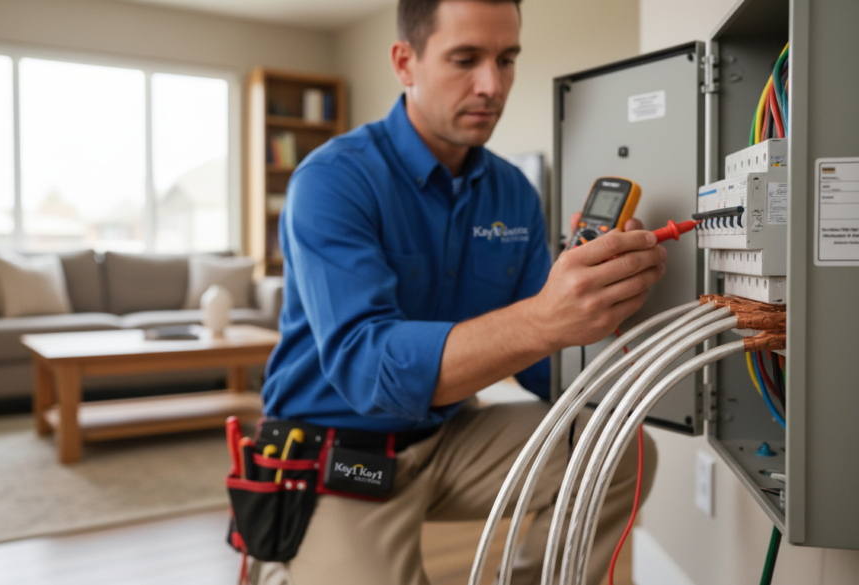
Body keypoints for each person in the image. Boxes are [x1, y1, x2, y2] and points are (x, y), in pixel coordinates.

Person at [254, 0, 662, 583]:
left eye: (507, 59)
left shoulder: (511, 191)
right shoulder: (331, 181)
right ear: (405, 62)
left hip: (450, 437)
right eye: (465, 59)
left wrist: (600, 308)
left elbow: (547, 371)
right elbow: (368, 370)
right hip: (339, 450)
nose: (492, 85)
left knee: (619, 447)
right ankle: (282, 569)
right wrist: (544, 319)